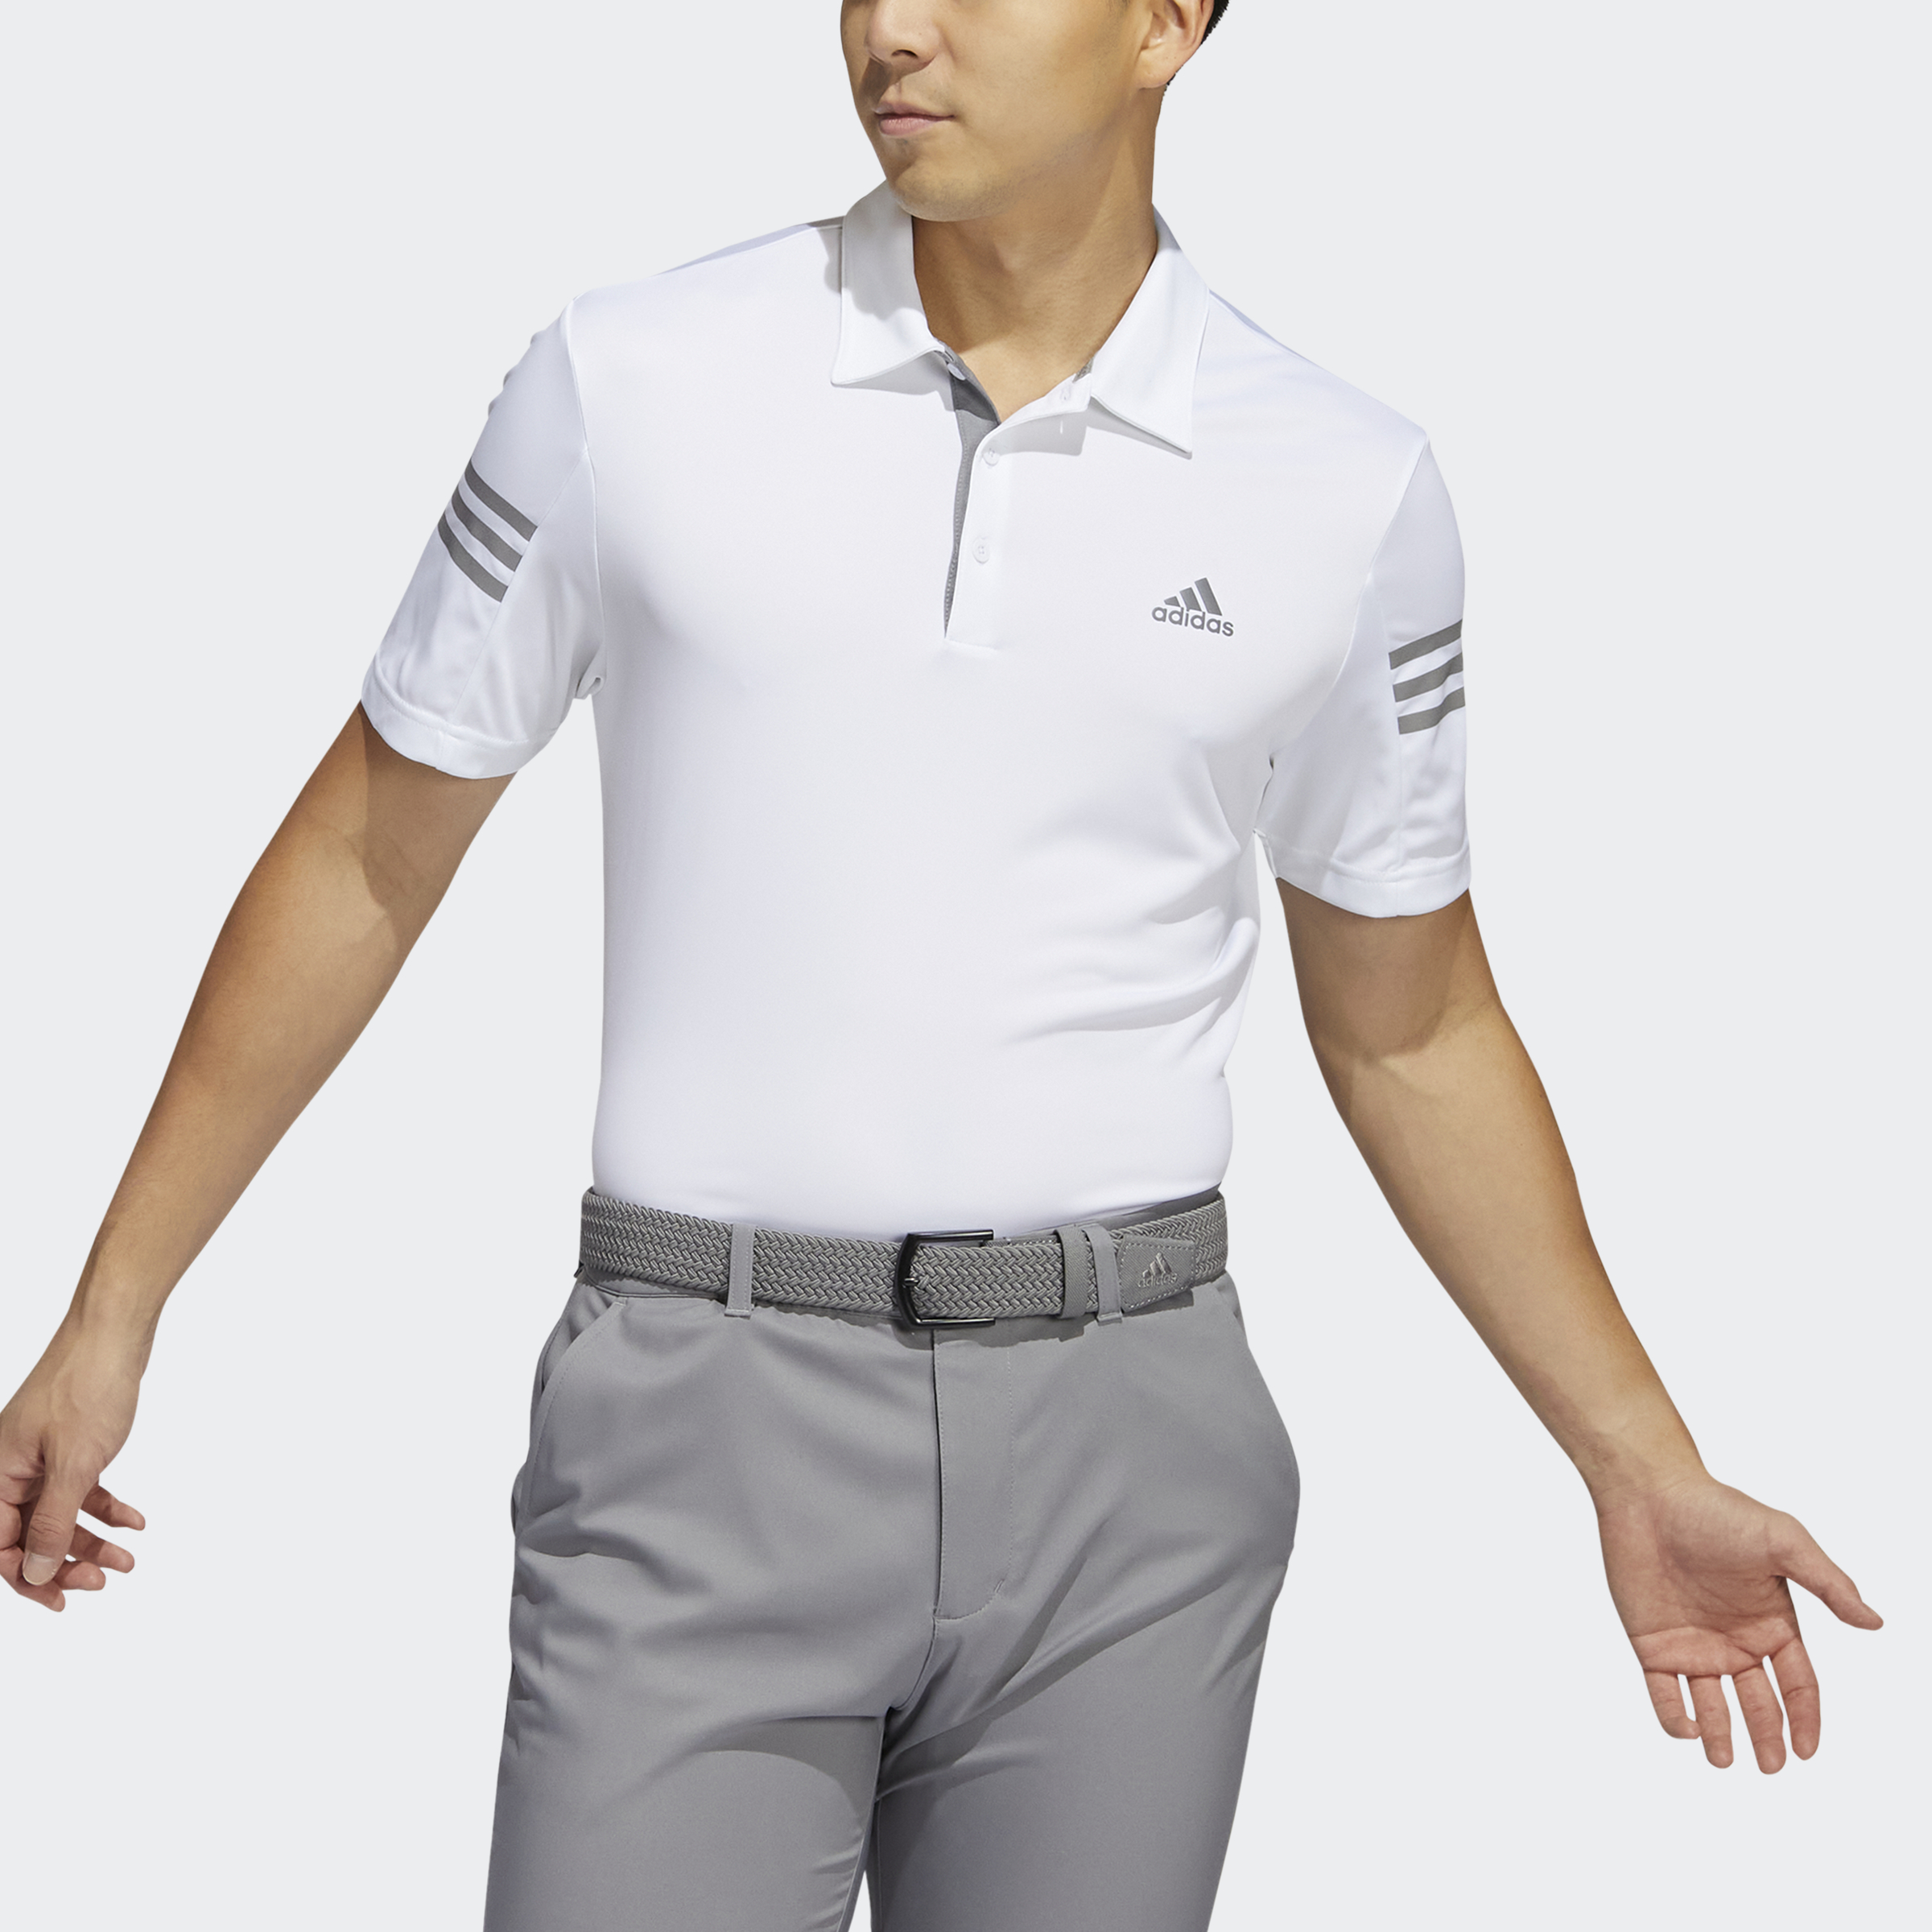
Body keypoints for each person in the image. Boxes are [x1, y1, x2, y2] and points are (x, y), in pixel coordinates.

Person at [1, 2, 1884, 1927]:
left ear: (1166, 25)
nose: (893, 30)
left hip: (1135, 1470)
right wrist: (113, 1306)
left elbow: (1413, 1024)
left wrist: (1636, 1461)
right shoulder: (631, 380)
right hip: (700, 1427)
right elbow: (369, 849)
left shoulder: (1344, 484)